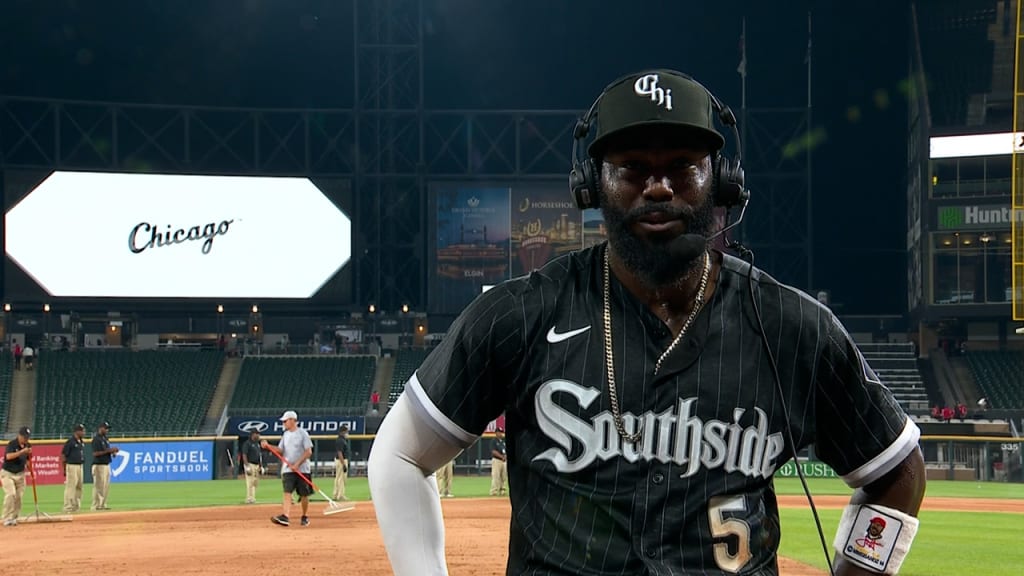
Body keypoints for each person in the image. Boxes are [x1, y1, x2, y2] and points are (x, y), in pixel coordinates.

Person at [368, 69, 926, 575]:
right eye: (632, 168)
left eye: (682, 165)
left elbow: (898, 470)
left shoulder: (793, 327)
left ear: (721, 181)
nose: (658, 187)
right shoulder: (519, 314)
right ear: (591, 186)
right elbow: (398, 451)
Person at [261, 410, 313, 527]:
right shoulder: (285, 435)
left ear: (292, 420)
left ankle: (304, 516)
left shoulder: (303, 434)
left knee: (304, 494)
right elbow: (280, 450)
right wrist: (269, 446)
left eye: (285, 421)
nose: (284, 423)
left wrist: (297, 464)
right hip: (288, 469)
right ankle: (285, 516)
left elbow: (308, 451)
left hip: (302, 469)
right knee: (287, 492)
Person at [1, 427, 32, 526]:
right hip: (8, 473)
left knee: (19, 497)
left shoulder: (28, 445)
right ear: (19, 435)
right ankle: (6, 518)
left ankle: (14, 518)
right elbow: (8, 457)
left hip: (20, 474)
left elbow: (28, 460)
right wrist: (22, 452)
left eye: (27, 437)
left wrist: (31, 471)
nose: (26, 439)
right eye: (24, 437)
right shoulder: (12, 444)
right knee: (11, 494)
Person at [91, 421, 118, 510]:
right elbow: (95, 453)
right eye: (105, 428)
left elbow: (107, 451)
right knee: (99, 486)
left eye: (107, 429)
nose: (107, 430)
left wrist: (113, 452)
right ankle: (96, 506)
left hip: (106, 465)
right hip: (99, 465)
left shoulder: (105, 439)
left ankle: (102, 505)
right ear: (100, 428)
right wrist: (109, 451)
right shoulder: (96, 439)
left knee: (105, 487)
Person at [60, 424, 86, 513]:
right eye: (82, 431)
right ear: (77, 431)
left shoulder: (81, 441)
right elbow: (63, 455)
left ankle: (76, 507)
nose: (84, 432)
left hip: (80, 466)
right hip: (72, 466)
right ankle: (68, 507)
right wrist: (64, 468)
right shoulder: (70, 442)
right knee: (71, 487)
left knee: (79, 487)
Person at [240, 429, 264, 504]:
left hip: (257, 465)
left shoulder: (257, 444)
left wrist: (261, 466)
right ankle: (249, 498)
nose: (258, 435)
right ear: (253, 434)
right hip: (250, 464)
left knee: (255, 482)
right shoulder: (247, 443)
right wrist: (247, 466)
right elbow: (244, 455)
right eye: (257, 434)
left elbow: (259, 456)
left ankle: (253, 498)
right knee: (250, 482)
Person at [333, 424, 351, 501]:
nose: (347, 433)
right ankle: (340, 495)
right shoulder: (340, 440)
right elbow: (340, 452)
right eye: (346, 432)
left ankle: (336, 494)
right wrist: (343, 463)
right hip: (341, 460)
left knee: (338, 478)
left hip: (339, 460)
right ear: (342, 432)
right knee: (341, 478)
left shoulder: (341, 440)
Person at [489, 427, 507, 497]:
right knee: (496, 476)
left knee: (504, 477)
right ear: (496, 433)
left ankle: (503, 490)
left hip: (504, 461)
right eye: (499, 432)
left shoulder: (503, 441)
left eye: (501, 432)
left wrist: (505, 456)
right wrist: (502, 457)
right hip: (497, 460)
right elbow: (493, 451)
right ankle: (494, 491)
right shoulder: (493, 441)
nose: (500, 433)